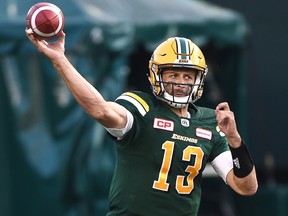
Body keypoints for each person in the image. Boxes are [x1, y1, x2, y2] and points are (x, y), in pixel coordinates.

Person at [25, 30, 258, 216]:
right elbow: (100, 109)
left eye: (188, 76)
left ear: (199, 80)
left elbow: (246, 187)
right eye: (173, 75)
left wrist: (235, 141)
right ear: (157, 76)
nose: (181, 82)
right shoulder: (141, 107)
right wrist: (59, 60)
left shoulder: (209, 122)